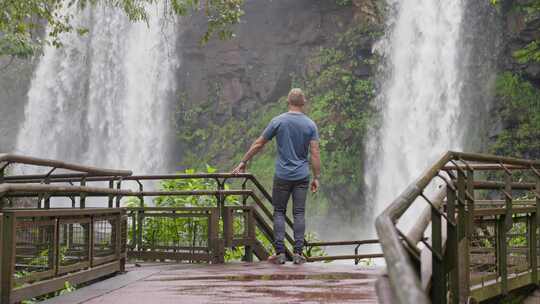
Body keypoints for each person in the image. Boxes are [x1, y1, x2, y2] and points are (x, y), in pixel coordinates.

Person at [232, 88, 321, 265]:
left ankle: (280, 253)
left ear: (288, 102)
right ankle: (297, 253)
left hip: (282, 175)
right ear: (303, 103)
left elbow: (259, 143)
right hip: (302, 176)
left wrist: (243, 161)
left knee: (279, 212)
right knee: (299, 213)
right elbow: (315, 153)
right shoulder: (310, 125)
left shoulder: (278, 121)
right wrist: (316, 176)